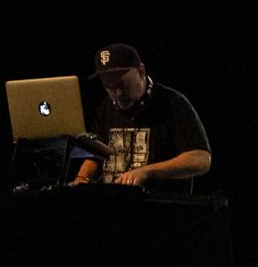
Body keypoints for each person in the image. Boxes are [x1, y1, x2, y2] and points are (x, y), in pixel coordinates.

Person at [70, 43, 214, 194]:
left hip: (158, 204)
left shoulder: (173, 103)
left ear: (141, 71)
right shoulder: (106, 107)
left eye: (122, 85)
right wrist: (82, 178)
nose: (117, 94)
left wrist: (147, 171)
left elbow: (201, 159)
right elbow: (95, 155)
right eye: (109, 87)